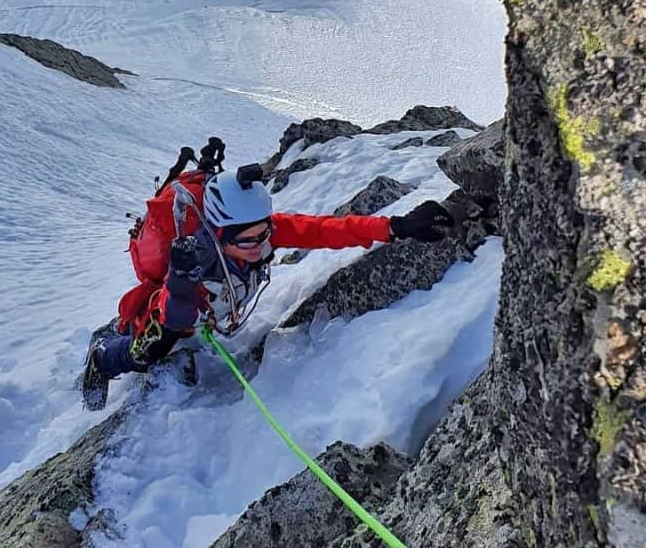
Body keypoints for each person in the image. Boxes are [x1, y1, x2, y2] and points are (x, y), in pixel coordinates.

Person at [81, 165, 456, 408]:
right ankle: (103, 357)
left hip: (208, 314)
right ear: (218, 233)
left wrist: (394, 227)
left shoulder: (258, 230)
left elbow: (325, 230)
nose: (261, 247)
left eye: (266, 234)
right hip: (171, 316)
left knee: (184, 337)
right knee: (148, 351)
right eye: (248, 240)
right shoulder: (195, 258)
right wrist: (181, 283)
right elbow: (173, 315)